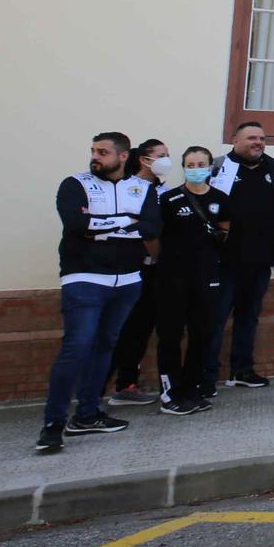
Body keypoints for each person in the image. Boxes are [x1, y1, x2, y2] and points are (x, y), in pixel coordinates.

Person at [38, 131, 162, 453]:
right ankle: (53, 424)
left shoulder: (143, 188)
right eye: (94, 151)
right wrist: (126, 222)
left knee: (107, 345)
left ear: (123, 157)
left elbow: (151, 228)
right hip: (85, 278)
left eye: (103, 152)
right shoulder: (75, 185)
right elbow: (76, 226)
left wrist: (103, 226)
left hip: (128, 280)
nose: (96, 157)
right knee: (77, 346)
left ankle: (88, 414)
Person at [206, 122, 274, 391]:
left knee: (248, 317)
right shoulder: (218, 168)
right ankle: (206, 377)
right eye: (251, 137)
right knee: (215, 319)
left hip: (260, 261)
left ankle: (242, 370)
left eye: (262, 138)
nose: (258, 142)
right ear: (234, 139)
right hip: (224, 262)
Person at [152, 147, 229, 416]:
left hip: (206, 278)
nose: (196, 167)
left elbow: (225, 231)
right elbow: (154, 237)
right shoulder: (169, 199)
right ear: (183, 167)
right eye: (191, 164)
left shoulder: (220, 198)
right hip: (172, 279)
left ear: (210, 167)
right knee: (171, 336)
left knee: (202, 335)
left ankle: (191, 389)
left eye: (201, 163)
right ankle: (169, 392)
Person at [107, 138, 170, 406]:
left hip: (154, 271)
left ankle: (127, 383)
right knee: (127, 329)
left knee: (142, 328)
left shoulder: (160, 189)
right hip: (135, 268)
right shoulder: (132, 188)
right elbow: (143, 230)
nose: (167, 159)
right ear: (144, 159)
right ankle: (118, 385)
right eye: (161, 155)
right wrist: (158, 256)